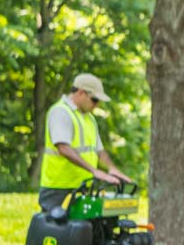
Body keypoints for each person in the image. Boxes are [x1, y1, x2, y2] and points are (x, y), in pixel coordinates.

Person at [38, 73, 134, 211]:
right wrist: (94, 171)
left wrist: (112, 169)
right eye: (94, 99)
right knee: (56, 230)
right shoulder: (61, 112)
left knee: (87, 230)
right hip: (59, 188)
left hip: (84, 186)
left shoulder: (89, 118)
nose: (97, 104)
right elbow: (63, 147)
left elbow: (99, 151)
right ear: (81, 92)